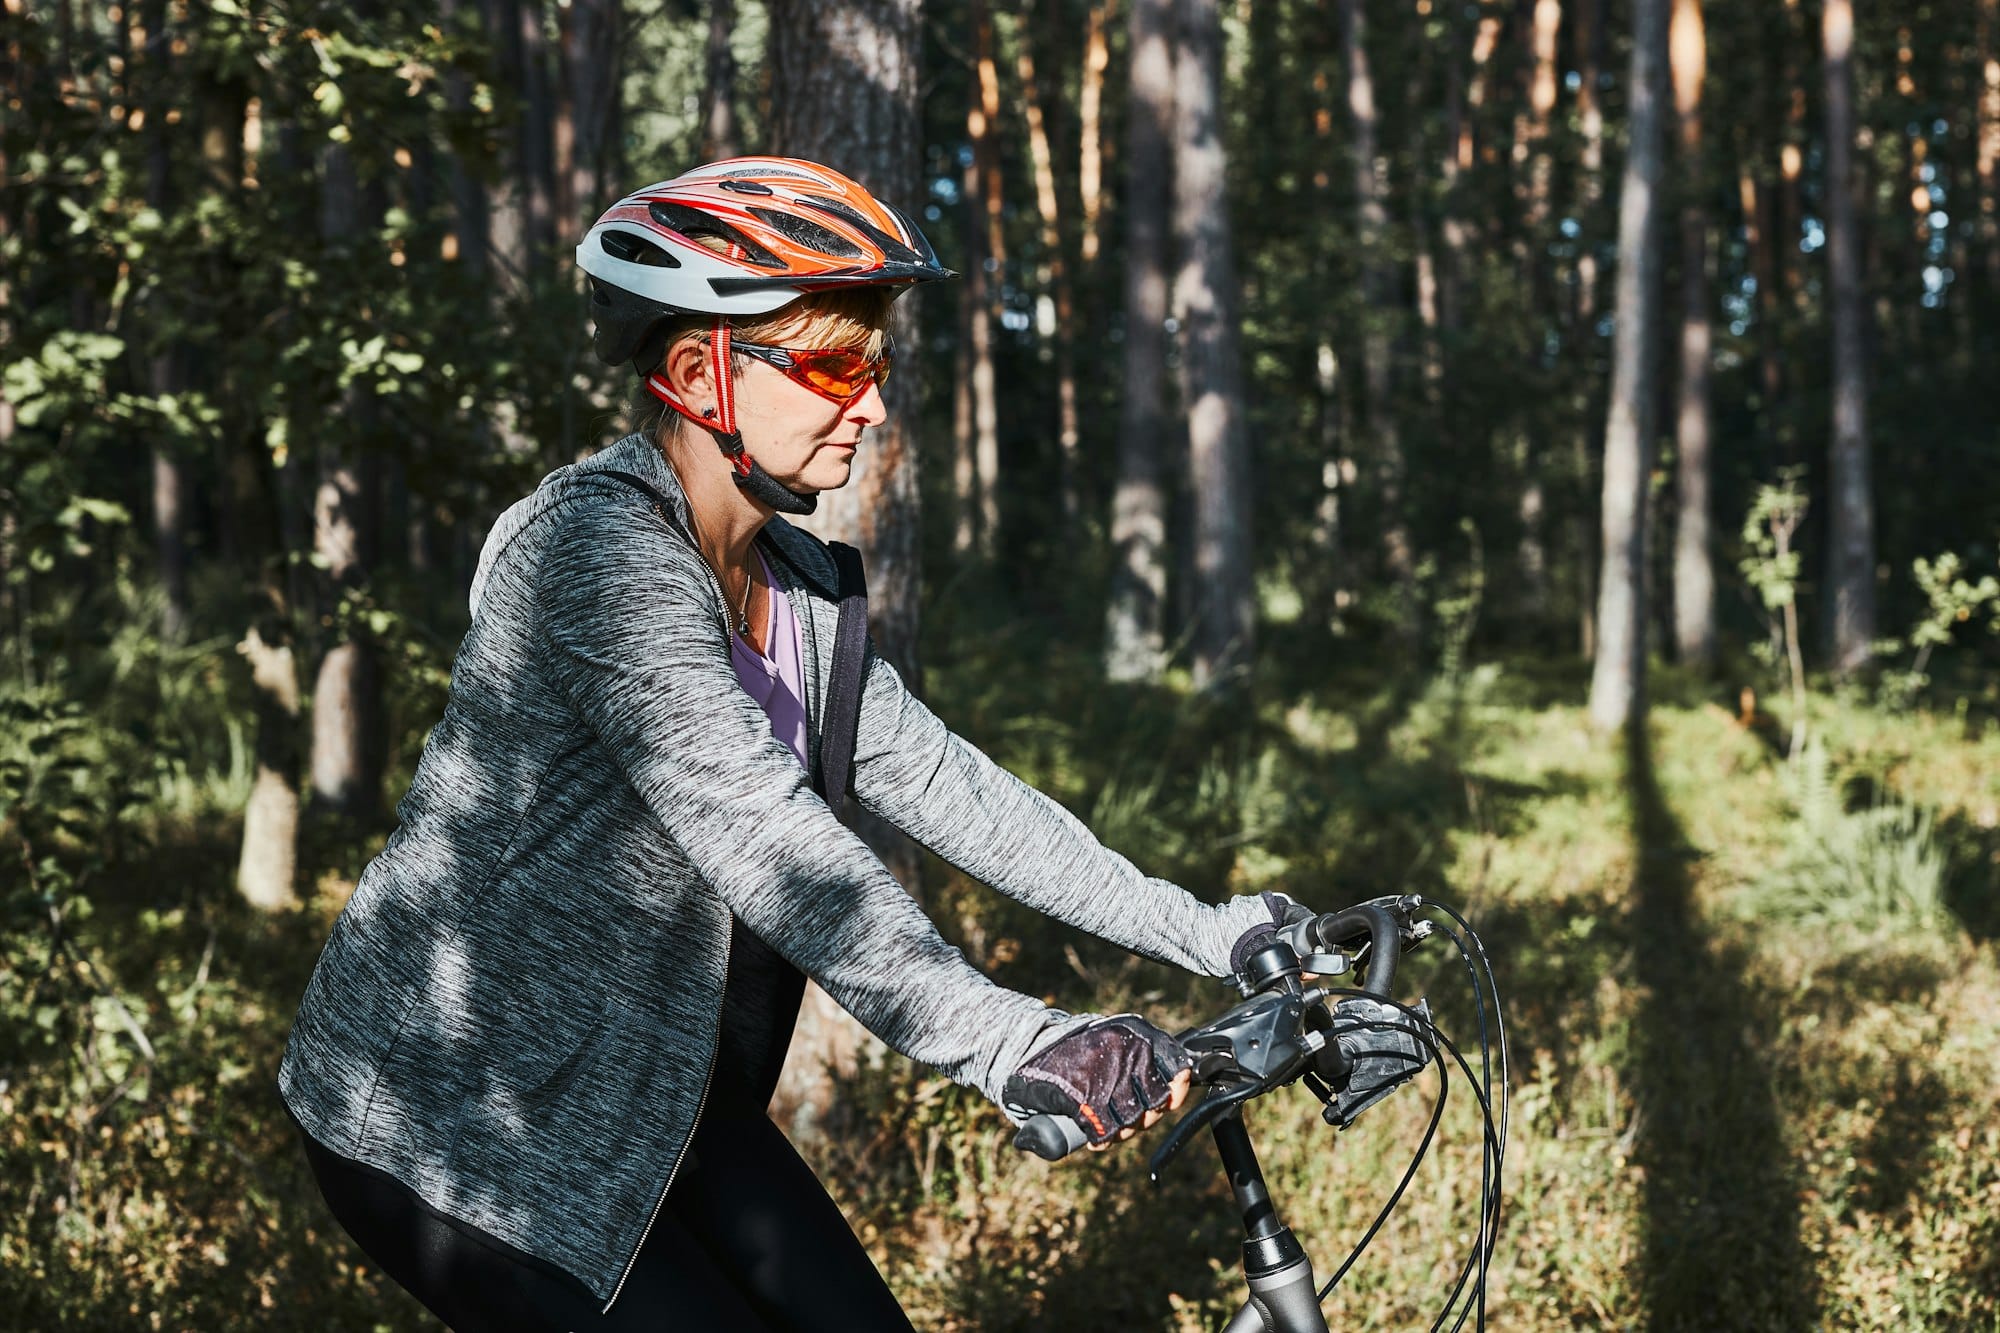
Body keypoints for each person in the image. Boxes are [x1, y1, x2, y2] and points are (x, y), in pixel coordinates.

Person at [279, 156, 1309, 1332]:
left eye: (873, 368)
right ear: (692, 371)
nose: (869, 405)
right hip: (456, 1113)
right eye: (831, 366)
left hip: (656, 1094)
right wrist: (1013, 1038)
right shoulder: (595, 556)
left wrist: (1212, 933)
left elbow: (953, 789)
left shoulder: (798, 590)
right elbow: (768, 838)